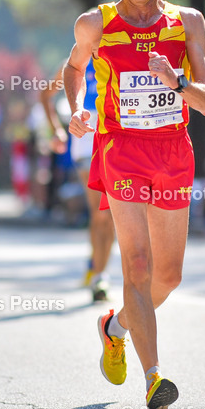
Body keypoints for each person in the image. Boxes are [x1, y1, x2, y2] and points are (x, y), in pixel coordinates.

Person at [64, 0, 205, 409]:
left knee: (167, 278)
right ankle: (154, 380)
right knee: (137, 265)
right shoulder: (95, 23)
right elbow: (73, 69)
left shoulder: (187, 22)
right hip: (121, 149)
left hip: (172, 151)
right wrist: (77, 108)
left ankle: (115, 328)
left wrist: (177, 81)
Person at [41, 65, 116, 302]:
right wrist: (56, 131)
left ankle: (98, 269)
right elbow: (46, 95)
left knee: (110, 214)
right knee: (100, 213)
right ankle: (99, 275)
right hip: (86, 141)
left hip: (115, 138)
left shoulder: (118, 51)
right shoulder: (74, 63)